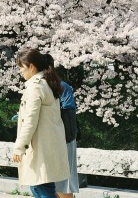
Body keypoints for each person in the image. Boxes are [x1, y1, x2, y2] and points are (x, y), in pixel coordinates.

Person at [12, 48, 69, 198]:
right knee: (44, 187)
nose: (20, 71)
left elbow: (30, 121)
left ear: (31, 66)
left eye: (21, 67)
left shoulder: (35, 87)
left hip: (41, 148)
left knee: (41, 189)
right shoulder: (48, 83)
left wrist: (19, 147)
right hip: (49, 146)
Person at [44, 56, 79, 198]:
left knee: (62, 182)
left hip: (62, 139)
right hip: (61, 138)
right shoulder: (61, 86)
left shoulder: (60, 87)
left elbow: (68, 115)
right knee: (62, 182)